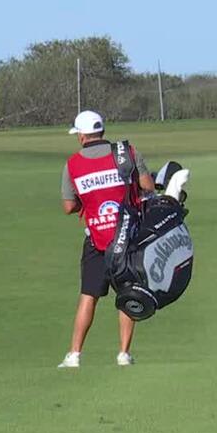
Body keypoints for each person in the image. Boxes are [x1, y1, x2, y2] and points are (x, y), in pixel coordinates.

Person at [57, 110, 156, 368]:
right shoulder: (127, 152)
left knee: (88, 296)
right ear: (102, 131)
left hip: (97, 242)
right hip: (127, 238)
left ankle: (75, 355)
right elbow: (148, 187)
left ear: (81, 136)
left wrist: (89, 203)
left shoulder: (73, 164)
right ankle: (124, 353)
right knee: (127, 292)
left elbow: (68, 206)